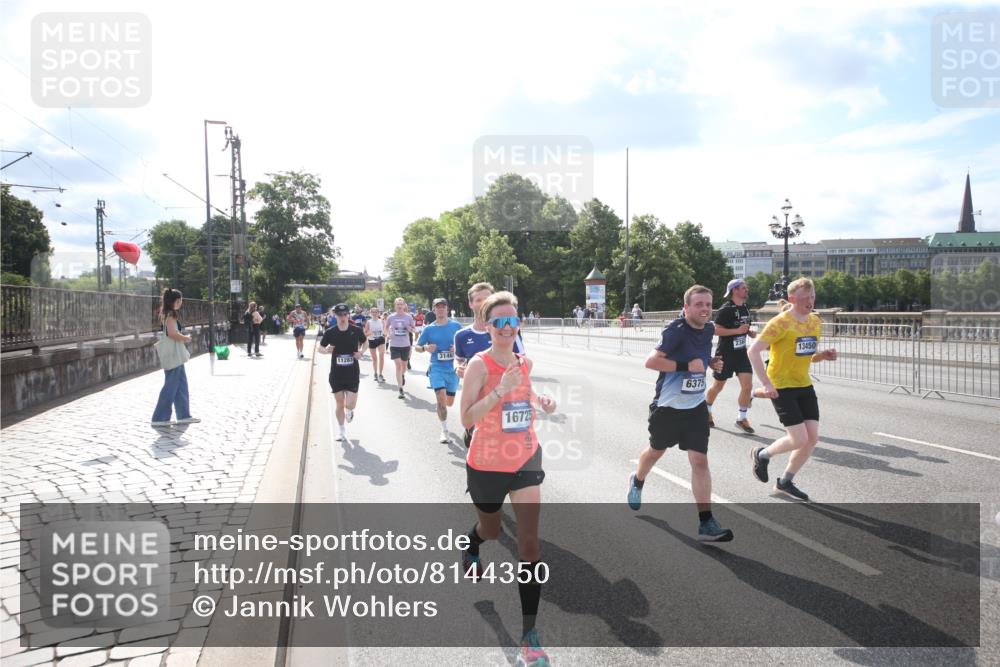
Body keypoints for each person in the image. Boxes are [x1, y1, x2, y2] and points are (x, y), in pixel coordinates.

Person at [458, 290, 556, 667]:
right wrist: (499, 389)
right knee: (492, 529)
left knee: (529, 544)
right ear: (487, 326)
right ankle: (471, 544)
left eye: (511, 320)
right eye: (498, 321)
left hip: (525, 457)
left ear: (519, 323)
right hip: (486, 464)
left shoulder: (523, 362)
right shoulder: (479, 366)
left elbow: (524, 394)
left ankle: (529, 634)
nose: (505, 327)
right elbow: (467, 418)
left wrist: (541, 401)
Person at [626, 285, 733, 542]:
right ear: (686, 308)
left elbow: (698, 358)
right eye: (699, 304)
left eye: (708, 304)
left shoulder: (708, 329)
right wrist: (685, 365)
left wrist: (710, 362)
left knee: (699, 461)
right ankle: (637, 479)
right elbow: (651, 361)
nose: (705, 309)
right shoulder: (675, 330)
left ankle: (706, 522)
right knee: (656, 451)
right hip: (667, 408)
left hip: (695, 407)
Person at [747, 278, 837, 502]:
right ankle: (762, 454)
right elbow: (753, 351)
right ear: (792, 299)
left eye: (812, 296)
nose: (810, 301)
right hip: (782, 384)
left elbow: (807, 355)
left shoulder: (815, 321)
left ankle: (786, 481)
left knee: (812, 438)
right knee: (798, 439)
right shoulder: (780, 322)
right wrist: (767, 384)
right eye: (805, 298)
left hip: (803, 383)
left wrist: (823, 356)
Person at [455, 282, 526, 448]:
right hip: (475, 397)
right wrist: (458, 367)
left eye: (487, 298)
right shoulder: (461, 335)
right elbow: (458, 358)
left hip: (504, 397)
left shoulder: (508, 331)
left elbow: (521, 362)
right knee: (480, 441)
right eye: (478, 300)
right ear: (471, 304)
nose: (483, 303)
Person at [705, 279, 756, 433]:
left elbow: (742, 326)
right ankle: (706, 410)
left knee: (747, 386)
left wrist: (749, 332)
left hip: (741, 354)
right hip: (725, 354)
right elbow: (716, 330)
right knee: (718, 386)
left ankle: (741, 418)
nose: (747, 290)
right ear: (735, 290)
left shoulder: (745, 308)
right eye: (744, 288)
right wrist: (737, 331)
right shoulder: (725, 309)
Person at [415, 298, 464, 443]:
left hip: (453, 369)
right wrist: (425, 348)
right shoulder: (429, 329)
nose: (441, 309)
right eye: (438, 307)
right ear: (434, 309)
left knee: (449, 402)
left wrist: (457, 349)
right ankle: (444, 430)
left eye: (443, 306)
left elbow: (466, 344)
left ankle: (444, 415)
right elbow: (417, 347)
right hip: (436, 368)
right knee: (441, 399)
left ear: (447, 309)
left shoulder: (456, 326)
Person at [318, 303, 366, 442]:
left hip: (352, 373)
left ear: (348, 315)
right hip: (336, 373)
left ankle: (349, 411)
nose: (343, 317)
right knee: (339, 403)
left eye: (345, 314)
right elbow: (320, 348)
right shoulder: (330, 332)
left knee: (349, 404)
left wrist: (361, 352)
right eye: (340, 315)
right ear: (335, 316)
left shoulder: (356, 330)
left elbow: (365, 342)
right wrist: (326, 351)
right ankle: (341, 431)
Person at [152, 288, 200, 427]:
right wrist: (186, 338)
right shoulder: (171, 314)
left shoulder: (167, 313)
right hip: (174, 355)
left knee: (180, 386)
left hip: (174, 355)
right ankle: (160, 418)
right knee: (171, 386)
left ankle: (183, 415)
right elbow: (172, 333)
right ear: (176, 301)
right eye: (180, 301)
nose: (181, 303)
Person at [386, 298, 415, 399]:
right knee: (398, 366)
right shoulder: (391, 317)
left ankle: (402, 375)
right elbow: (386, 328)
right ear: (395, 306)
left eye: (401, 304)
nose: (399, 306)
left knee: (404, 367)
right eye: (397, 304)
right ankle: (400, 389)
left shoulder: (408, 317)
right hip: (394, 345)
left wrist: (410, 329)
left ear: (404, 305)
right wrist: (388, 334)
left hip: (405, 345)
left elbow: (414, 329)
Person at [364, 306, 387, 382]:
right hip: (372, 340)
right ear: (370, 313)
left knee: (381, 356)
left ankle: (380, 374)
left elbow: (385, 330)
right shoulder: (369, 322)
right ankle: (375, 373)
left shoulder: (382, 321)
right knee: (374, 358)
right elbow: (364, 334)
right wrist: (369, 333)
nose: (374, 313)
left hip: (380, 340)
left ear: (378, 313)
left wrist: (385, 334)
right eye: (373, 312)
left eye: (376, 312)